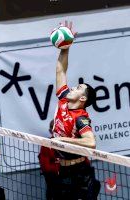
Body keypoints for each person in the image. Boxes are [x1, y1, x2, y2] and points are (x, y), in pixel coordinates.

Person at [51, 21, 100, 200]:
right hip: (62, 169)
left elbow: (91, 143)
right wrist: (66, 46)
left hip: (80, 173)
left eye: (78, 87)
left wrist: (63, 140)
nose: (73, 87)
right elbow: (60, 70)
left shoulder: (81, 118)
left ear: (83, 99)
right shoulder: (63, 99)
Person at [38, 120, 60, 200]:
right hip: (54, 182)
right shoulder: (46, 145)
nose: (55, 130)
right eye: (52, 127)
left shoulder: (69, 143)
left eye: (57, 127)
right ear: (50, 131)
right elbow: (46, 167)